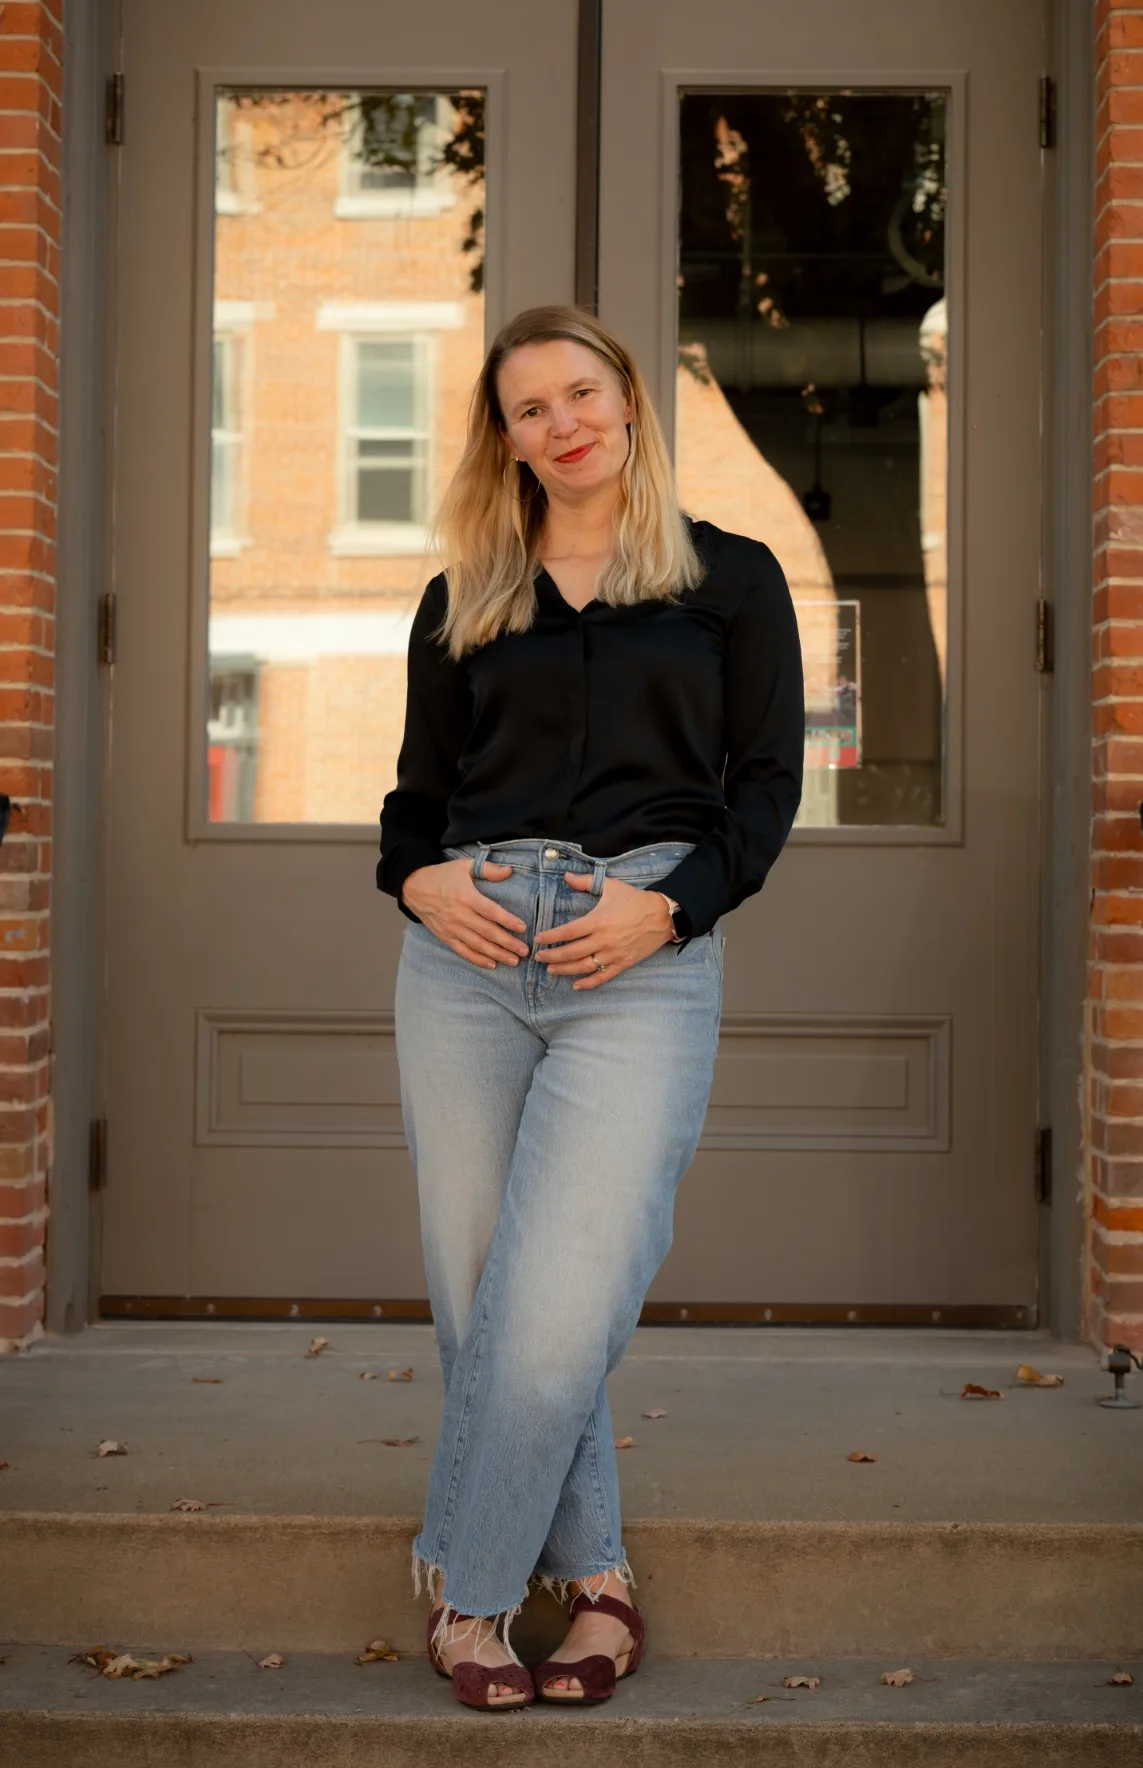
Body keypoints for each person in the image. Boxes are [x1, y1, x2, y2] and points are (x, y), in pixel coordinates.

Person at [378, 304, 803, 1710]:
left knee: (553, 1306)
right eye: (529, 409)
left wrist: (669, 904)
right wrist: (418, 885)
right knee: (477, 1295)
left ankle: (468, 1584)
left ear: (629, 400)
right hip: (465, 958)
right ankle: (601, 1579)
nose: (563, 425)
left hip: (633, 956)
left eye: (582, 394)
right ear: (502, 439)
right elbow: (412, 804)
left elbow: (763, 790)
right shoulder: (464, 594)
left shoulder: (728, 581)